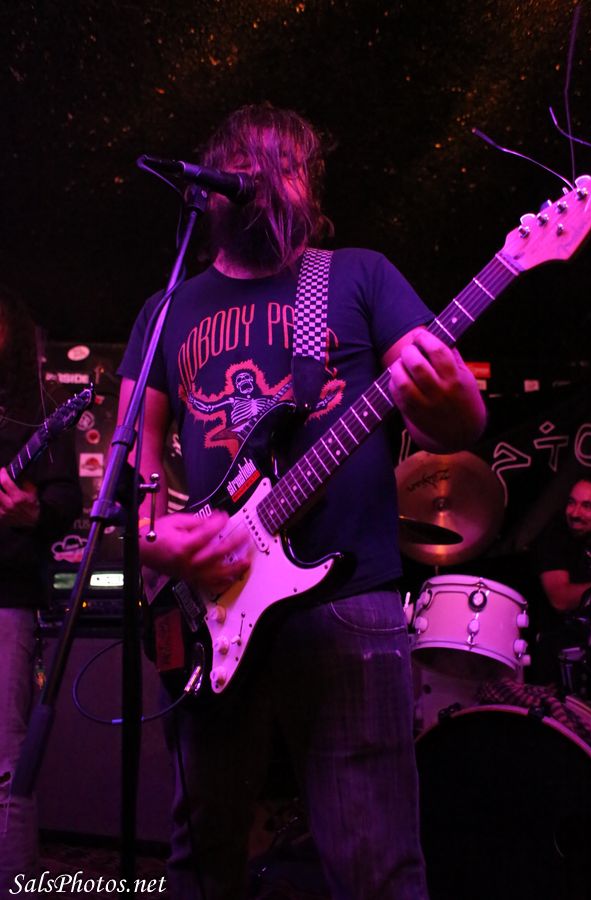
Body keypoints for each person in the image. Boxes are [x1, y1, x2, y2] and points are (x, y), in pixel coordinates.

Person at [118, 103, 486, 900]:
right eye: (244, 164)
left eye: (285, 165)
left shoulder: (357, 275)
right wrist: (155, 540)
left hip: (350, 600)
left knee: (376, 859)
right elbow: (130, 471)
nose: (265, 178)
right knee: (201, 852)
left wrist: (456, 398)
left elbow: (448, 421)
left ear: (309, 186)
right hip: (211, 607)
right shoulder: (165, 312)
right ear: (212, 186)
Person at [0, 287, 82, 895]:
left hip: (6, 595)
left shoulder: (40, 408)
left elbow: (66, 500)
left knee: (6, 764)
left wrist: (34, 512)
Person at [533, 474, 591, 685]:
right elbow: (560, 599)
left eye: (587, 506)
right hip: (561, 654)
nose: (575, 513)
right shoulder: (556, 535)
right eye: (571, 503)